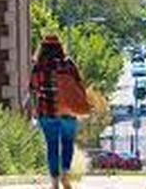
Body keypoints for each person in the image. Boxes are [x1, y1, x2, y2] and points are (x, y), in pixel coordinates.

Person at [28, 35, 85, 189]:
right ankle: (65, 174)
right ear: (60, 48)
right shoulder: (68, 64)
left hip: (47, 111)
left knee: (52, 145)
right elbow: (79, 84)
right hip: (68, 111)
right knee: (68, 143)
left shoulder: (38, 66)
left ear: (42, 49)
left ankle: (54, 182)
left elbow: (33, 88)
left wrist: (34, 109)